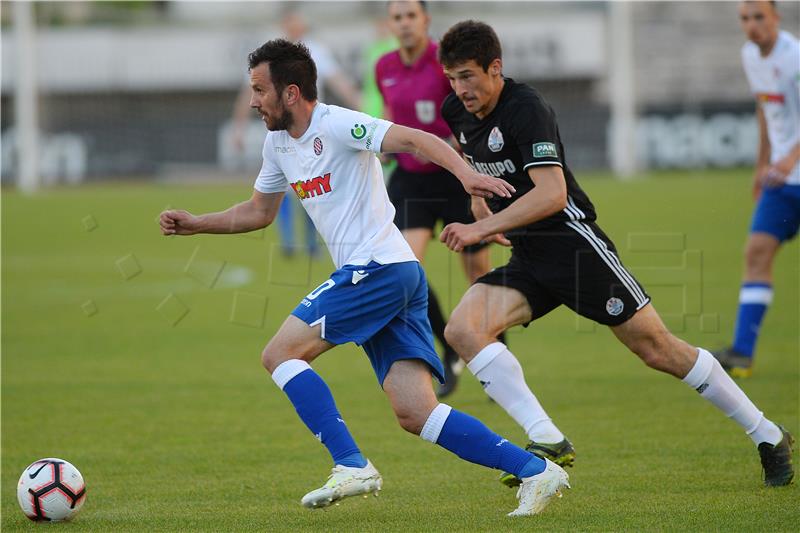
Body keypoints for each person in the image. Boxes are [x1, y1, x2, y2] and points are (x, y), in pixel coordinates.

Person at [160, 39, 570, 516]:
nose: (252, 101)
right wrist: (196, 223)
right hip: (393, 276)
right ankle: (537, 472)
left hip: (379, 269)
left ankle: (351, 463)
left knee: (279, 354)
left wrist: (466, 176)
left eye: (258, 89)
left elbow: (417, 140)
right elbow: (258, 212)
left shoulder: (336, 124)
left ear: (291, 93)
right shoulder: (277, 144)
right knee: (415, 413)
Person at [435, 20, 794, 489]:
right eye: (452, 78)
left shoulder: (527, 109)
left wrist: (482, 226)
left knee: (657, 349)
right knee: (463, 328)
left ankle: (767, 435)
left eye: (467, 75)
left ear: (495, 67)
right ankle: (548, 439)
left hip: (574, 247)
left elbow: (552, 194)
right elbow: (474, 159)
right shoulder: (455, 111)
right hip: (529, 256)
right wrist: (478, 197)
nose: (460, 89)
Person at [376, 0, 504, 397]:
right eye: (397, 17)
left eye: (411, 15)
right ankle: (448, 348)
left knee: (477, 273)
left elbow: (468, 113)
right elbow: (389, 110)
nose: (404, 23)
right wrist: (384, 144)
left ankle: (496, 357)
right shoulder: (384, 67)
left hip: (453, 179)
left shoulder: (442, 62)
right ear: (391, 24)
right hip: (410, 182)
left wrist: (450, 148)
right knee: (406, 269)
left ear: (425, 20)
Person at [230, 7, 362, 258]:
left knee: (313, 187)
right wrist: (238, 128)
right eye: (289, 22)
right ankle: (288, 242)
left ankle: (312, 244)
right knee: (282, 187)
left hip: (313, 131)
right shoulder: (268, 58)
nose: (294, 27)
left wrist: (362, 107)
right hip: (280, 131)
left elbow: (339, 82)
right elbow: (248, 93)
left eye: (297, 23)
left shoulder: (316, 51)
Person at [713, 1, 800, 378]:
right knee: (756, 253)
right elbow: (765, 110)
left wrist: (790, 158)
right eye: (745, 19)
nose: (752, 25)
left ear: (776, 18)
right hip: (781, 184)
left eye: (759, 17)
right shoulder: (751, 55)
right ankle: (742, 353)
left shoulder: (795, 57)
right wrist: (762, 164)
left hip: (791, 170)